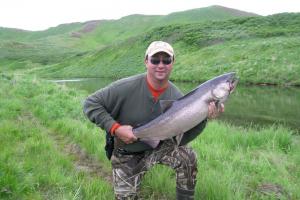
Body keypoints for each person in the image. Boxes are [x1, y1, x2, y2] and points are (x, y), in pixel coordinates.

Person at [83, 41, 224, 200]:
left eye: (166, 60)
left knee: (188, 157)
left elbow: (182, 139)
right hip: (127, 151)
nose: (161, 65)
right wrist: (115, 128)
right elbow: (90, 104)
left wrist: (204, 117)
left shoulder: (176, 96)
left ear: (172, 63)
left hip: (159, 147)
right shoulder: (125, 87)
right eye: (155, 60)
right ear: (146, 62)